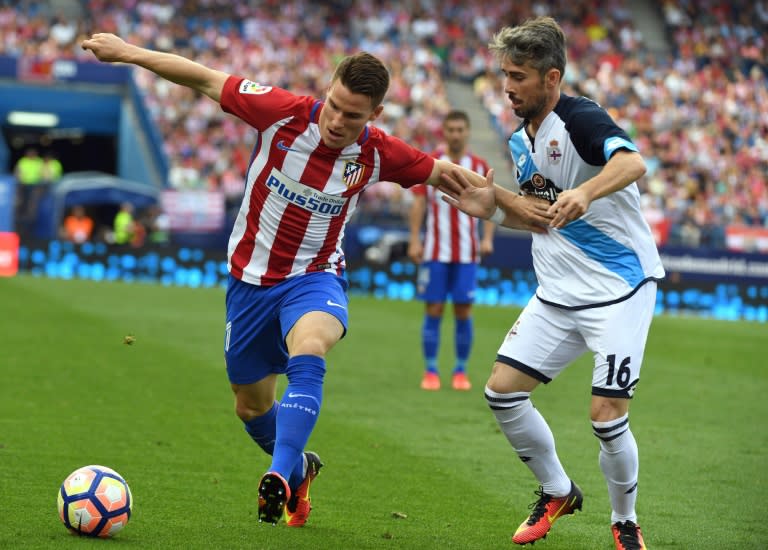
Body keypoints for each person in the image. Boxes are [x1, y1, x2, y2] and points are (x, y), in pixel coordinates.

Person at [81, 33, 553, 528]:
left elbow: (448, 175)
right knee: (250, 406)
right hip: (249, 282)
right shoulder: (280, 112)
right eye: (334, 106)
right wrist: (128, 52)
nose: (336, 121)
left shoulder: (378, 153)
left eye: (352, 115)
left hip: (315, 275)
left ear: (374, 114)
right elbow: (201, 76)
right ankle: (300, 468)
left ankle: (280, 473)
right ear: (326, 92)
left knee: (310, 346)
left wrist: (516, 205)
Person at [437, 17, 663, 550]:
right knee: (502, 393)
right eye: (504, 75)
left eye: (518, 76)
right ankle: (557, 490)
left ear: (551, 77)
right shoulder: (520, 141)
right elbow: (539, 216)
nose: (507, 86)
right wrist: (490, 211)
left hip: (620, 291)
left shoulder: (581, 118)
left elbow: (633, 162)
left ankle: (625, 522)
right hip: (558, 294)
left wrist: (587, 193)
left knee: (606, 417)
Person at [407, 110, 495, 391]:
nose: (456, 134)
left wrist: (488, 238)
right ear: (443, 132)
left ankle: (460, 370)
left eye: (460, 129)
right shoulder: (432, 164)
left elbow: (493, 206)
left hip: (467, 253)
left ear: (467, 132)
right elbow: (419, 204)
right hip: (436, 252)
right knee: (433, 308)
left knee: (463, 311)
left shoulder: (479, 166)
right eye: (451, 129)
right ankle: (431, 370)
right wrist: (414, 240)